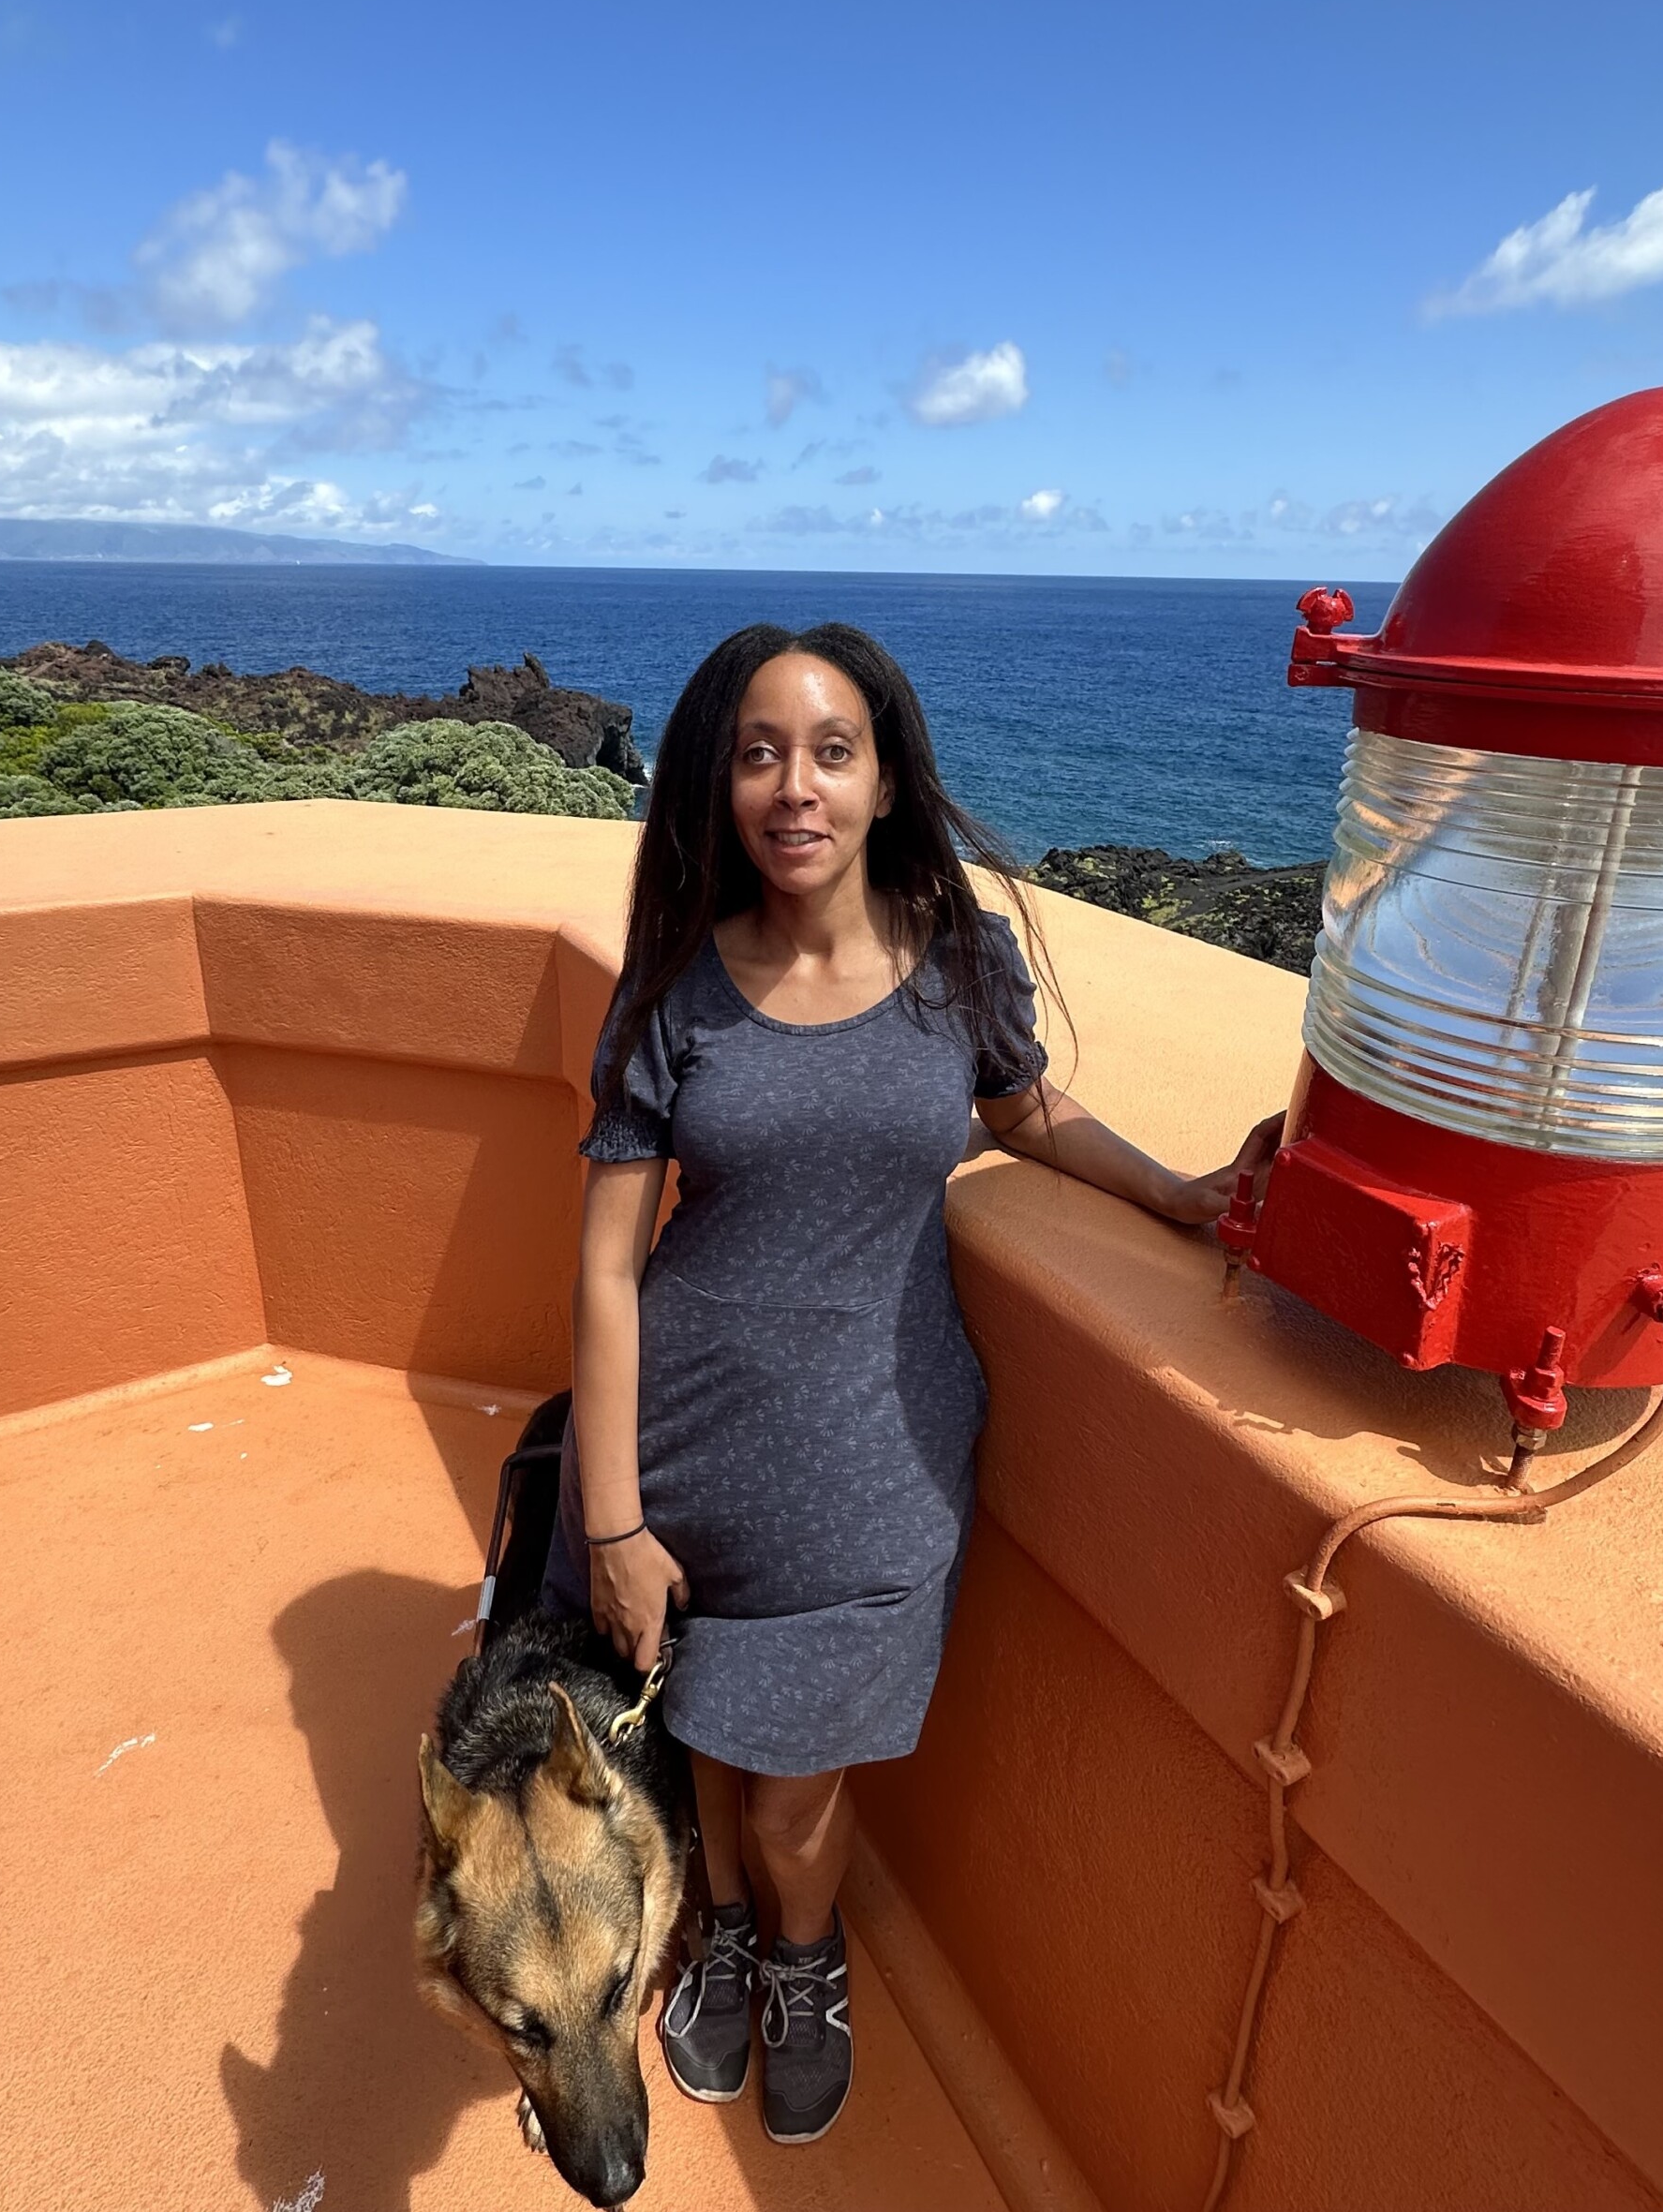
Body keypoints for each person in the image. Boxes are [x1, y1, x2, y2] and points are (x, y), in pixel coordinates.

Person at [542, 621, 1271, 2146]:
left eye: (830, 751)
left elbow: (1025, 1112)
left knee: (798, 1772)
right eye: (758, 752)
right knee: (699, 1726)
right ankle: (731, 1935)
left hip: (883, 1456)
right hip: (684, 1446)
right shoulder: (674, 984)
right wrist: (610, 1521)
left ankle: (802, 1957)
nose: (793, 787)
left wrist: (1179, 1197)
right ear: (714, 782)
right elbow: (608, 1266)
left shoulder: (953, 959)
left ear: (883, 779)